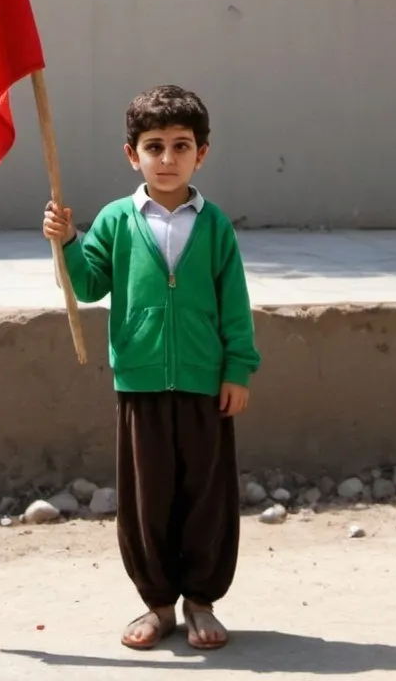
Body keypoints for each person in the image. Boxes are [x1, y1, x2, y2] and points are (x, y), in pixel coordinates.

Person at [42, 84, 260, 651]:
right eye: (154, 147)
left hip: (205, 385)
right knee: (148, 499)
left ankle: (201, 601)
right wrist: (66, 243)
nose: (167, 159)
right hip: (140, 384)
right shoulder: (116, 221)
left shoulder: (214, 227)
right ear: (131, 154)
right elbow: (88, 286)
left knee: (205, 496)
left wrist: (237, 368)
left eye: (181, 147)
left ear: (202, 154)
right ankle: (158, 604)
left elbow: (234, 305)